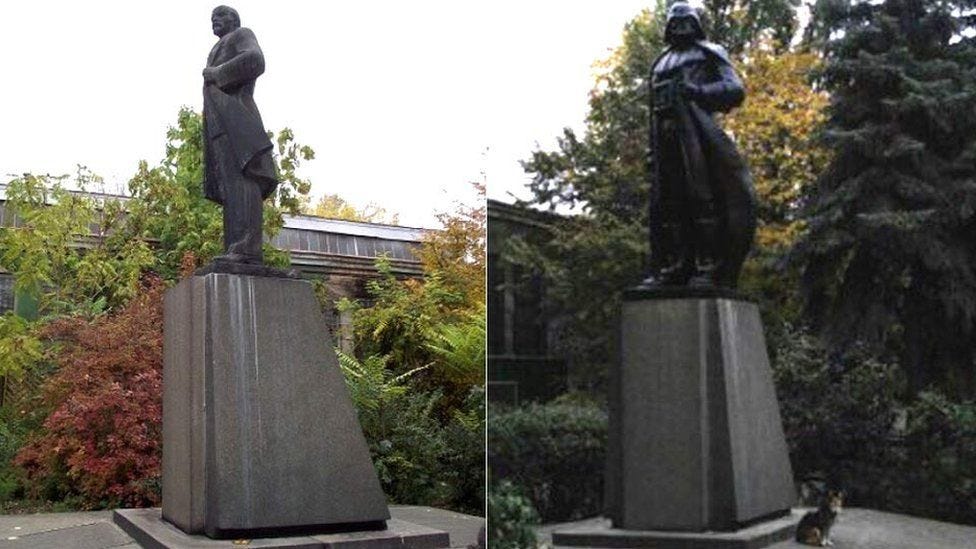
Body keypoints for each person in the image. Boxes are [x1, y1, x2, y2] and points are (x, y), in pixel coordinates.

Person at [642, 2, 756, 289]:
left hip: (696, 135)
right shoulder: (660, 62)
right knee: (668, 204)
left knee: (702, 198)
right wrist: (651, 150)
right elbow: (652, 108)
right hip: (664, 138)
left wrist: (697, 91)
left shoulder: (709, 52)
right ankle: (673, 267)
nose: (680, 26)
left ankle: (709, 266)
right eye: (675, 21)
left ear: (696, 23)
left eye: (687, 21)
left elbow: (735, 90)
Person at [202, 5, 278, 265]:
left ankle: (247, 247)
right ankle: (235, 245)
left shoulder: (242, 34)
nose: (214, 20)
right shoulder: (218, 46)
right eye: (212, 18)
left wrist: (217, 73)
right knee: (231, 187)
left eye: (219, 16)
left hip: (238, 121)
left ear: (233, 19)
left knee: (245, 179)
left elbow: (256, 60)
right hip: (222, 127)